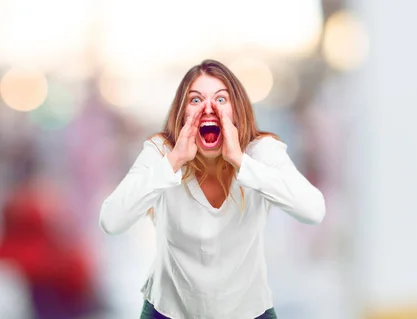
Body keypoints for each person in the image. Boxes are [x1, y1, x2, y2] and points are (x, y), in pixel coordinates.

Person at [98, 59, 326, 319]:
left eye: (221, 99)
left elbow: (313, 210)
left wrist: (241, 162)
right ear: (182, 113)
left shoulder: (260, 152)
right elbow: (111, 220)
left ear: (237, 111)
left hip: (248, 311)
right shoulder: (161, 153)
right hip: (170, 311)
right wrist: (173, 162)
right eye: (196, 100)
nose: (208, 107)